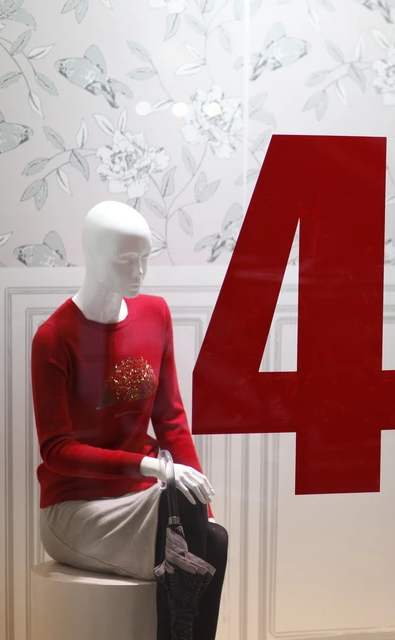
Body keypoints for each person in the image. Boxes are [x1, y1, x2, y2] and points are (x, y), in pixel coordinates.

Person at [30, 200, 228, 640]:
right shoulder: (54, 338)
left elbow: (170, 418)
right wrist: (151, 466)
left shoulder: (155, 314)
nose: (139, 272)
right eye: (126, 260)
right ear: (93, 254)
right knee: (196, 546)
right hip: (77, 508)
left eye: (145, 258)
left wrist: (206, 509)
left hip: (141, 497)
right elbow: (57, 450)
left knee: (214, 539)